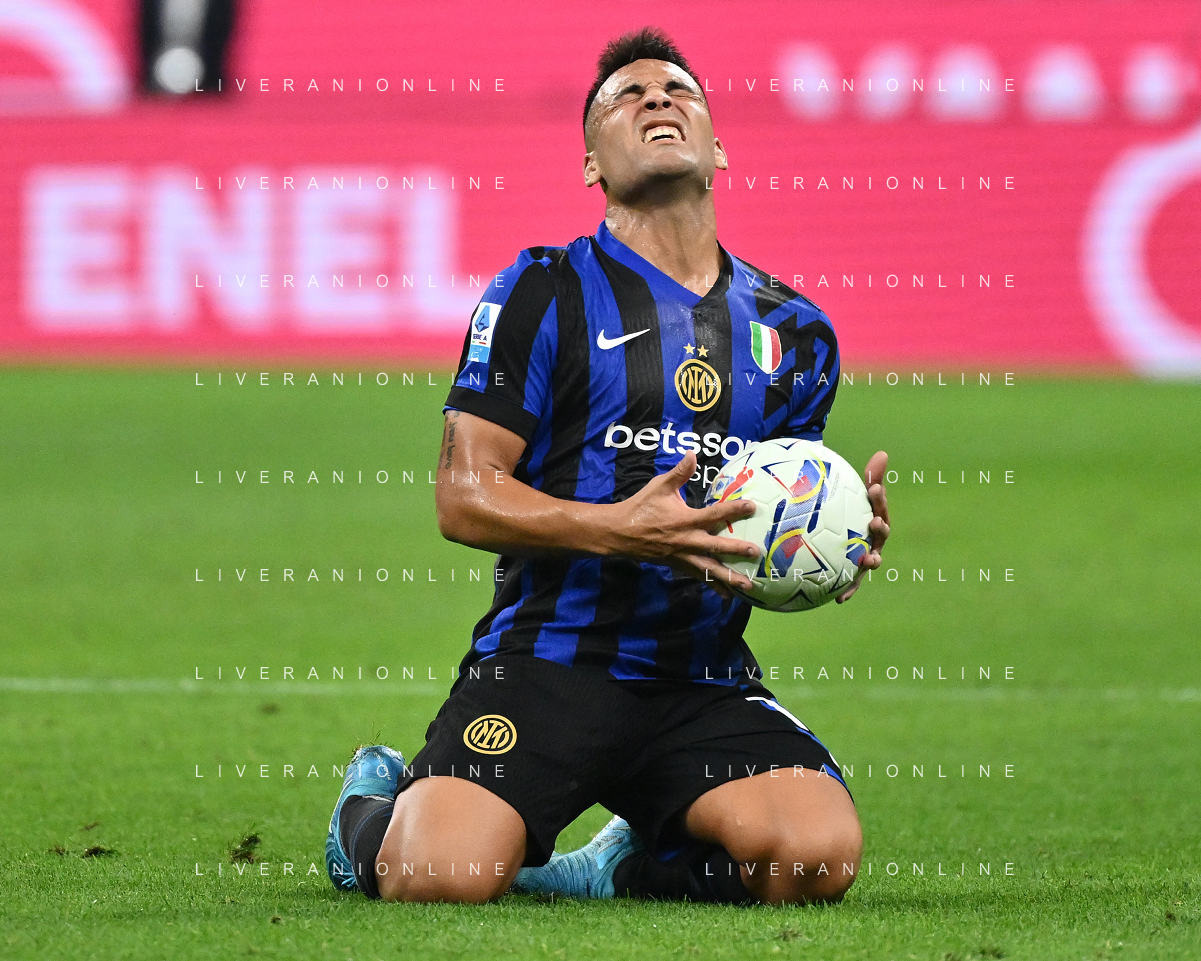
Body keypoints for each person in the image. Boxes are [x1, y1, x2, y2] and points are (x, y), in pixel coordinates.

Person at [325, 26, 890, 907]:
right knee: (438, 876)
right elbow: (463, 497)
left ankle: (621, 865)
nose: (656, 98)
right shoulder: (541, 292)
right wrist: (619, 530)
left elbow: (764, 516)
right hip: (546, 662)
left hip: (699, 677)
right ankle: (367, 811)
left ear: (717, 147)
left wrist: (828, 543)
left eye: (678, 90)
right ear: (591, 163)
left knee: (815, 860)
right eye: (625, 96)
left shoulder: (796, 333)